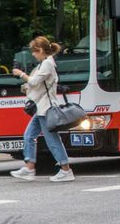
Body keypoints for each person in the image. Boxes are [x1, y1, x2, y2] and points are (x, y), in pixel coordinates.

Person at [10, 36, 74, 183]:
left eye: (34, 51)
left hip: (46, 109)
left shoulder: (47, 64)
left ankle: (66, 170)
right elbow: (35, 84)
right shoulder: (43, 64)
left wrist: (21, 74)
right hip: (40, 108)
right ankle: (29, 168)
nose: (33, 54)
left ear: (40, 50)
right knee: (28, 136)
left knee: (52, 140)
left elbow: (34, 81)